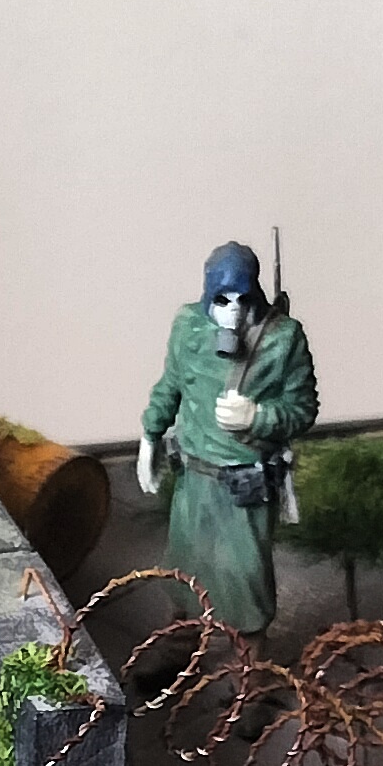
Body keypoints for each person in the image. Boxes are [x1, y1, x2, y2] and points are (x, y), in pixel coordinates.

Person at [136, 240, 316, 635]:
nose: (233, 309)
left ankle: (250, 658)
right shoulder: (188, 326)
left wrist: (259, 416)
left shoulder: (283, 338)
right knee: (185, 564)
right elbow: (170, 386)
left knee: (246, 575)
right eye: (223, 299)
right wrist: (150, 435)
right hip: (195, 476)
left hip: (246, 481)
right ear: (208, 295)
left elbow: (303, 409)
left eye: (243, 299)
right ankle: (182, 639)